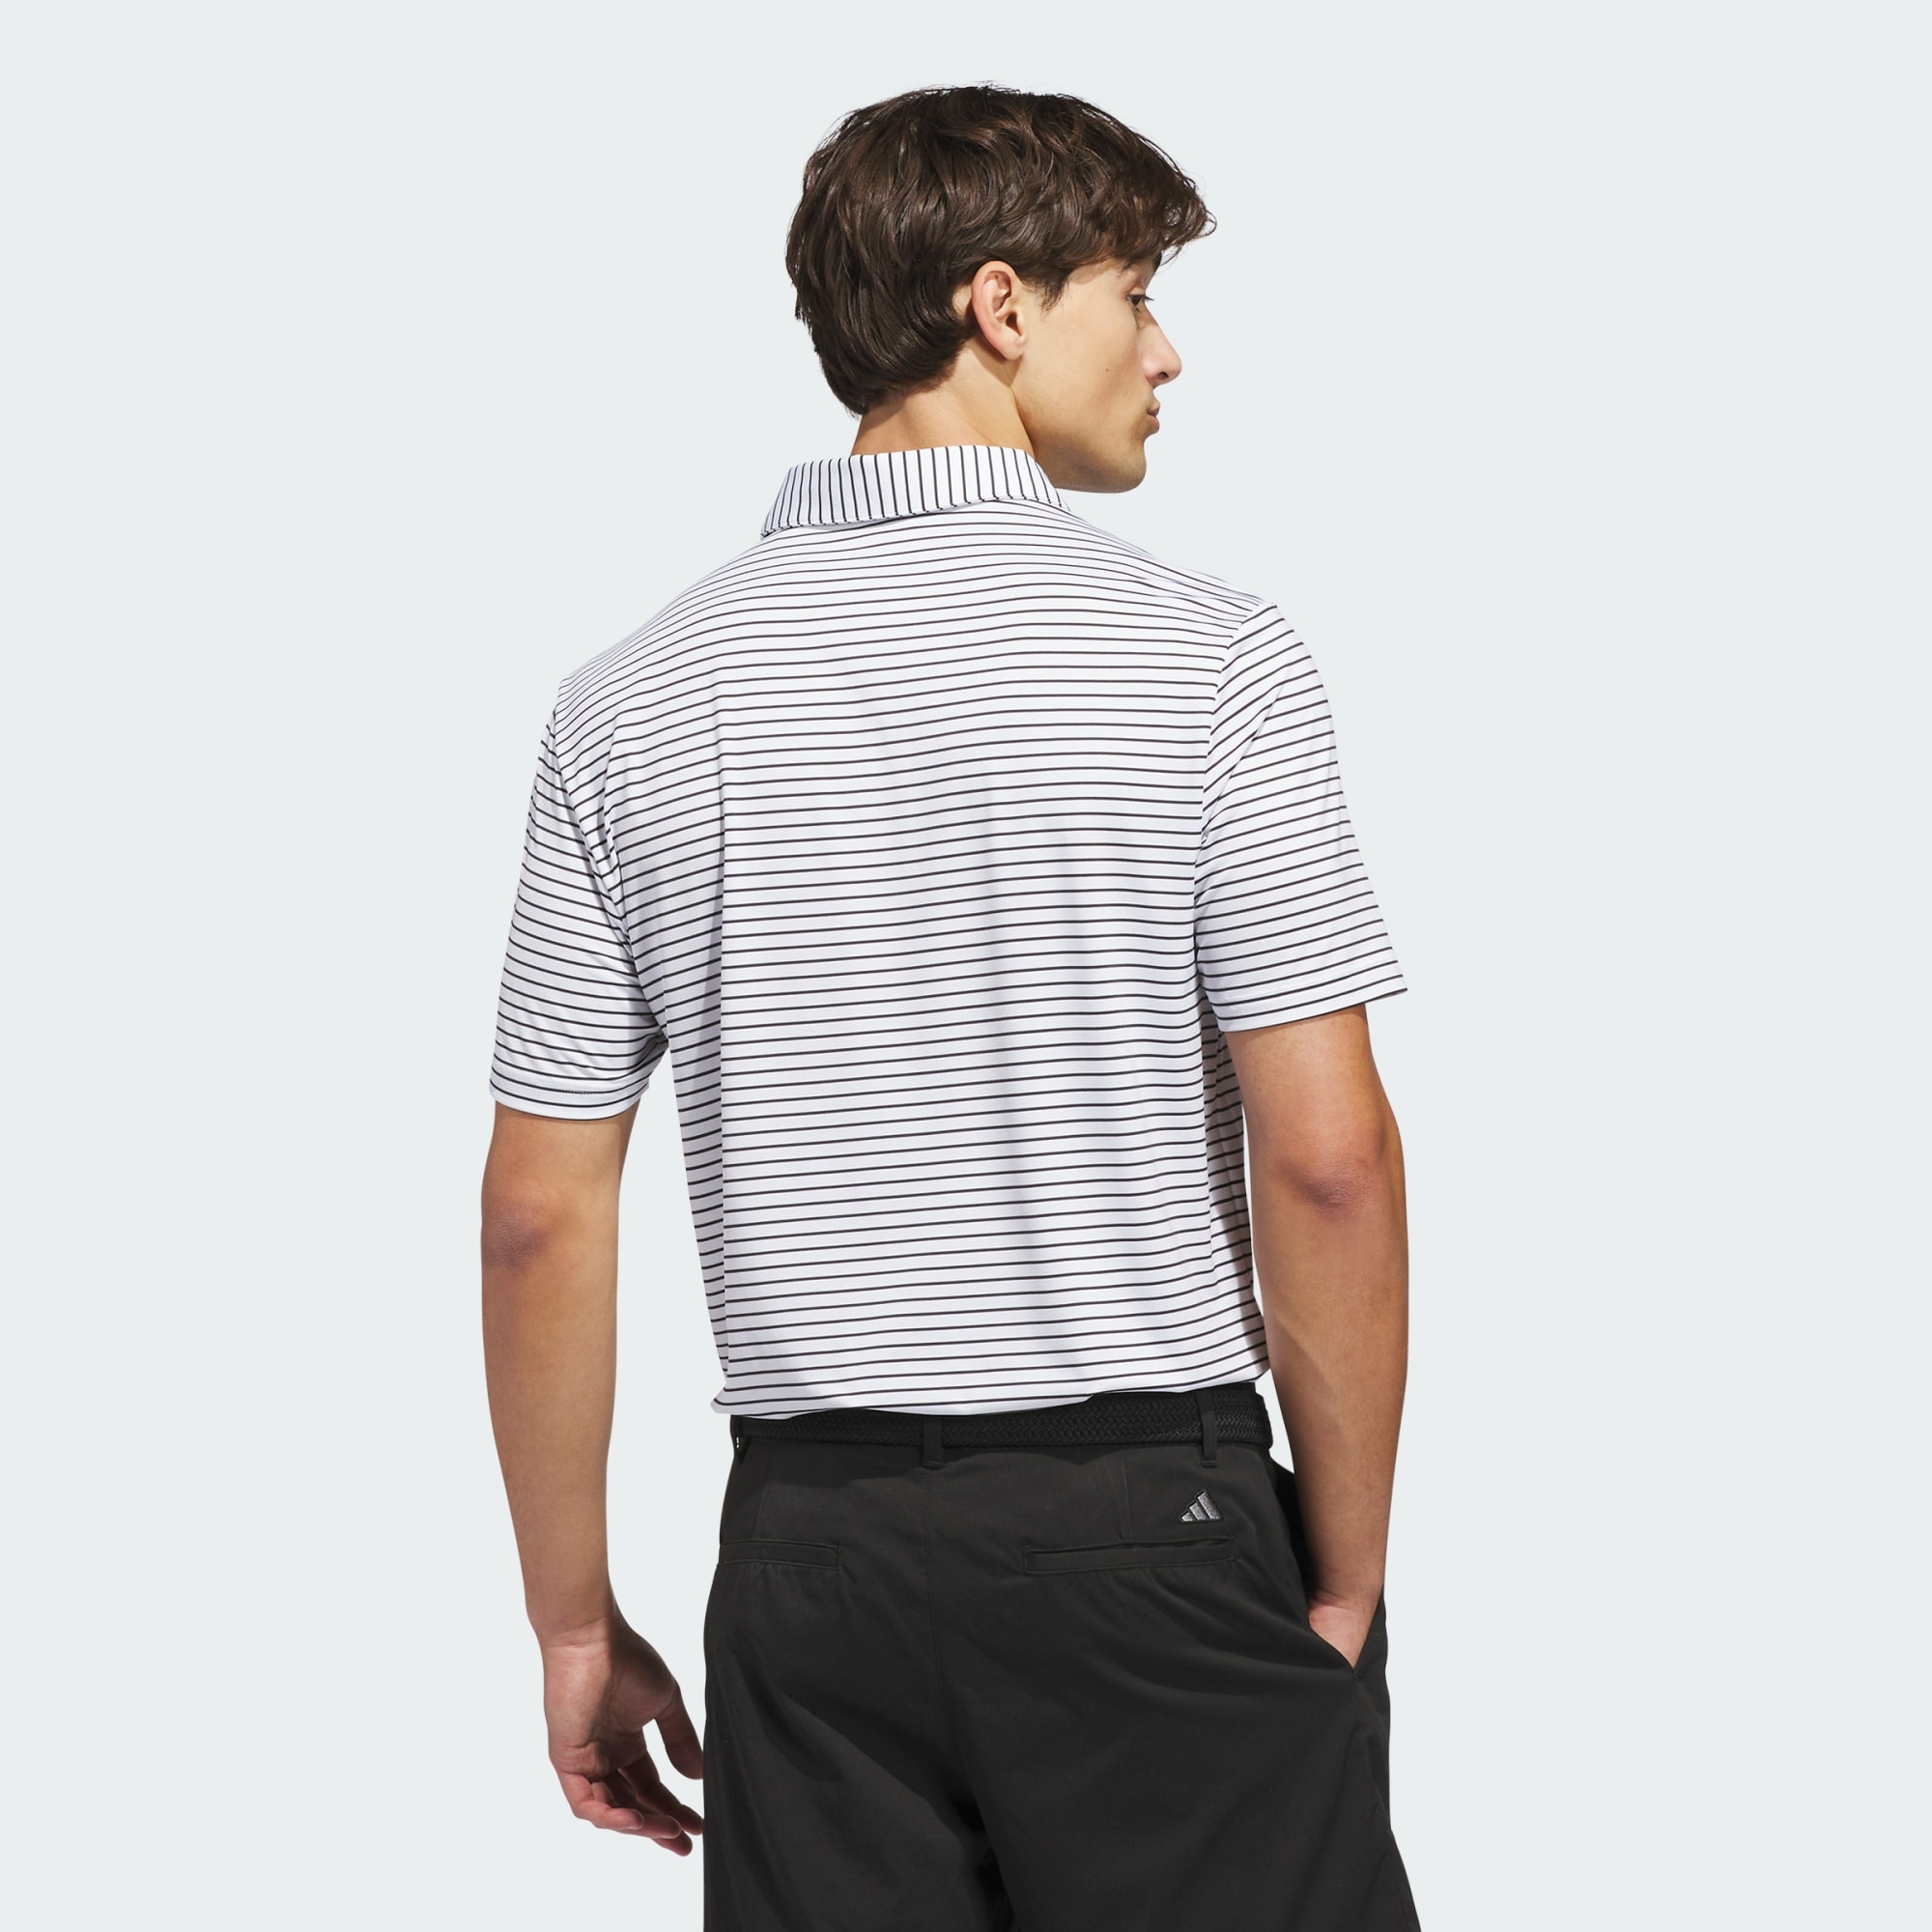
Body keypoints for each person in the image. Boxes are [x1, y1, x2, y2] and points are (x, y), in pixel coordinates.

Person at [481, 84, 1420, 1930]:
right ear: (1002, 308)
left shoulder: (629, 704)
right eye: (1133, 295)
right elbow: (1329, 1161)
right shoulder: (1209, 660)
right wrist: (1345, 1576)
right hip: (1148, 1537)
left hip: (808, 1566)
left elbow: (537, 1212)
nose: (1167, 352)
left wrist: (573, 1626)